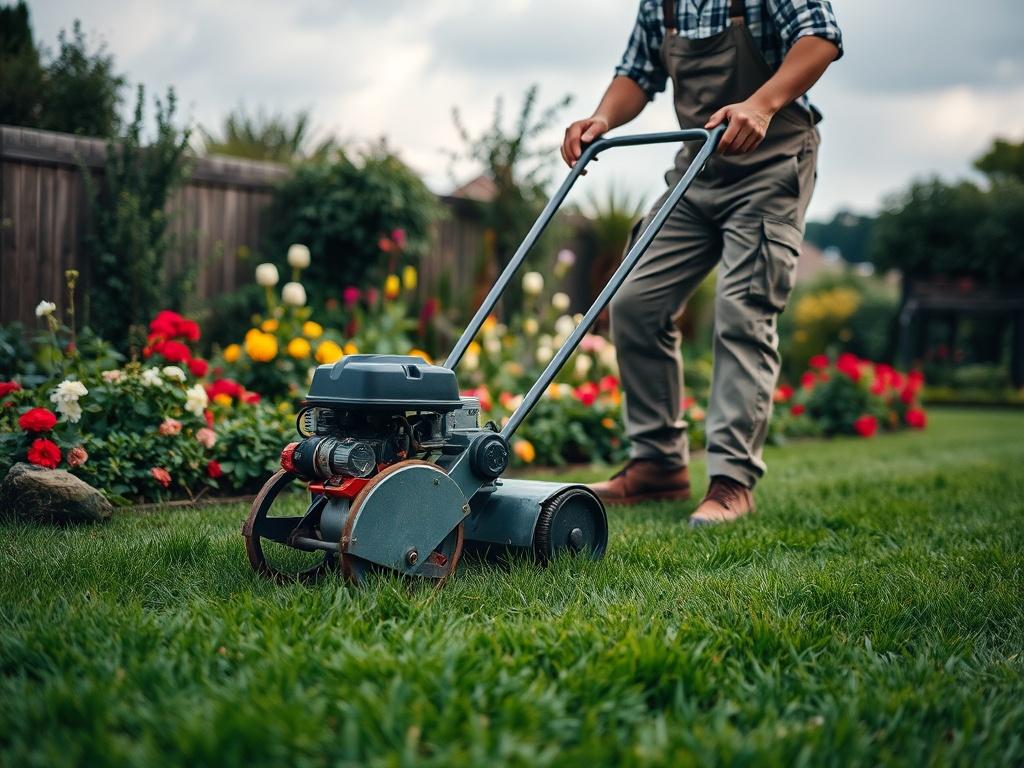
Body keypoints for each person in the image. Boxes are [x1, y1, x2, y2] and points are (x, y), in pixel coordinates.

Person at [563, 0, 842, 524]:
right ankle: (658, 465)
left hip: (772, 165)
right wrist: (602, 117)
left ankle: (731, 481)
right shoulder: (660, 4)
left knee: (743, 312)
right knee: (634, 302)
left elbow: (821, 37)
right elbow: (637, 73)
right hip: (699, 169)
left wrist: (760, 104)